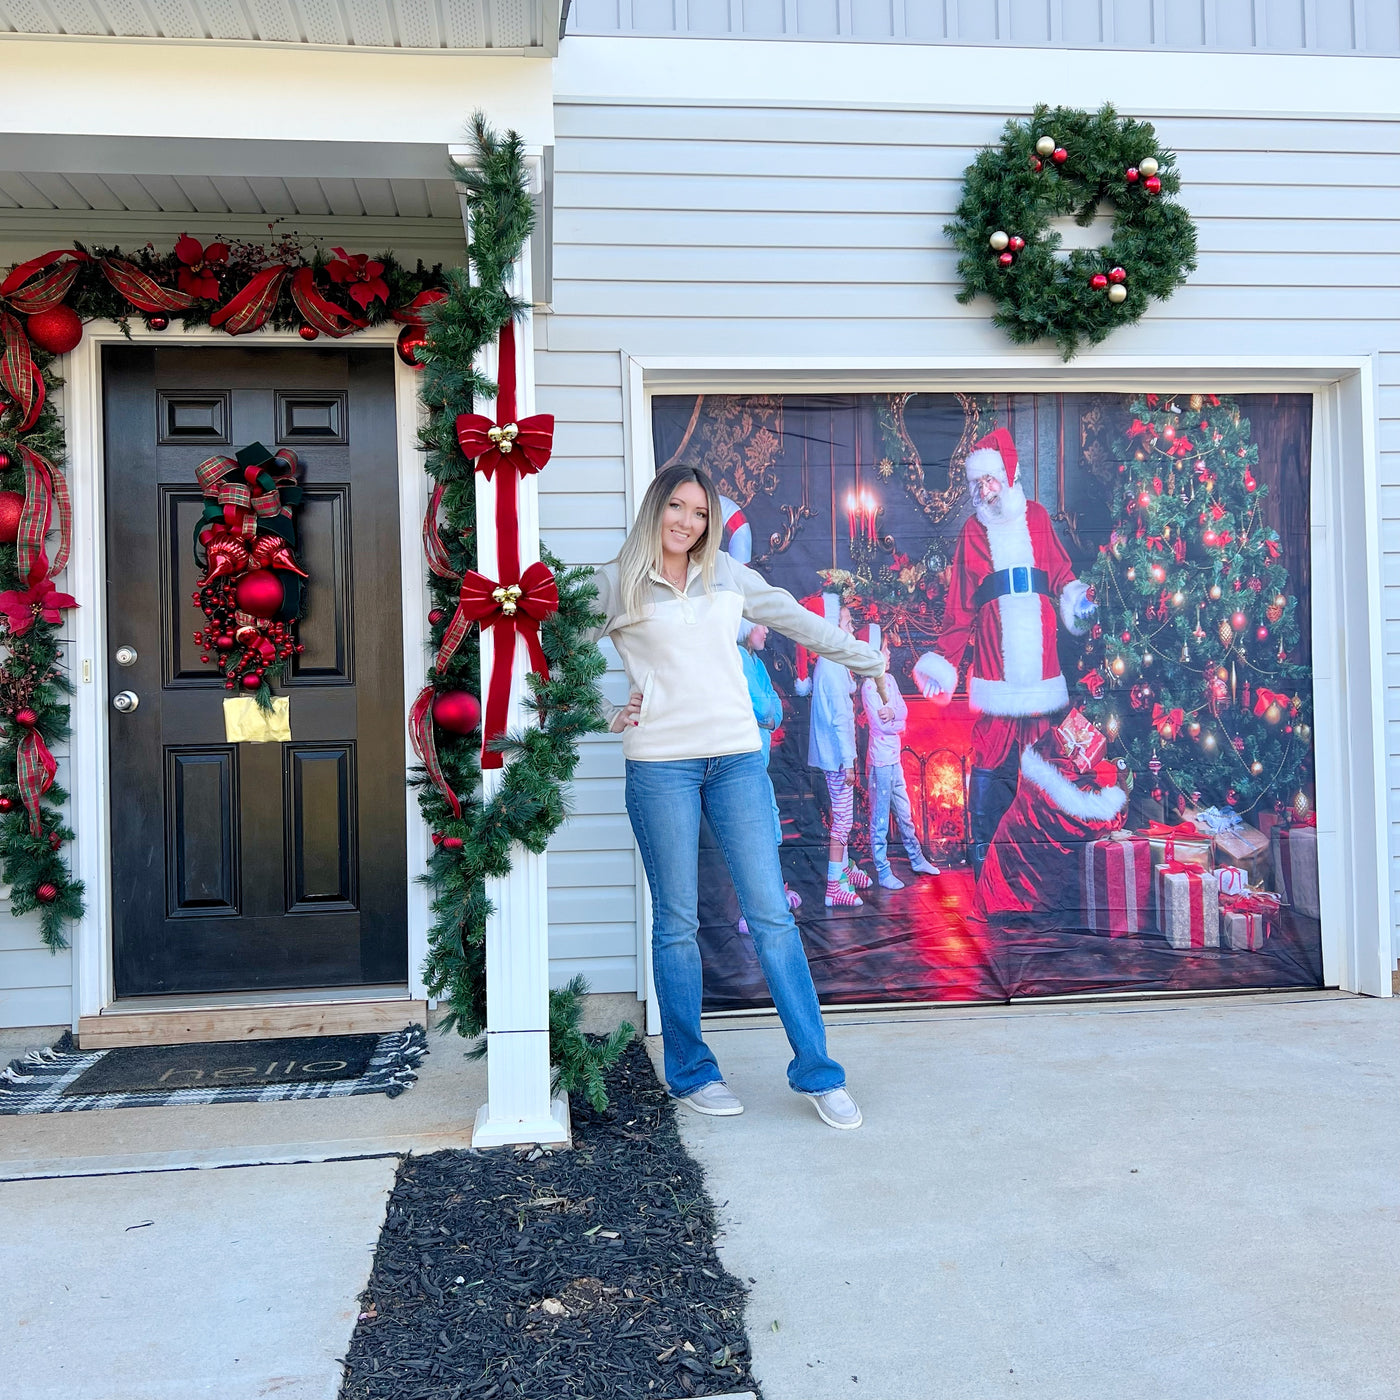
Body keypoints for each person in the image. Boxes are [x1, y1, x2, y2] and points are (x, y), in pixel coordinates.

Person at [592, 463, 886, 1130]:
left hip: (736, 763)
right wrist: (605, 710)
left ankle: (818, 1073)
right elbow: (552, 654)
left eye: (700, 512)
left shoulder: (728, 573)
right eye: (677, 507)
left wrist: (870, 662)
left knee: (772, 917)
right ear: (655, 509)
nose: (687, 522)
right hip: (660, 766)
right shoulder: (618, 581)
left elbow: (801, 623)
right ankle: (693, 1072)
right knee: (678, 922)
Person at [911, 428, 1095, 877]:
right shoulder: (971, 533)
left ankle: (1041, 860)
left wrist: (1076, 598)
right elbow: (959, 609)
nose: (985, 491)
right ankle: (984, 860)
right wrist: (944, 662)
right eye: (978, 485)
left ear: (1008, 474)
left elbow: (1061, 574)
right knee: (992, 751)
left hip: (1041, 663)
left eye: (991, 481)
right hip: (996, 666)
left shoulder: (1037, 517)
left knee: (1042, 752)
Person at [858, 624, 940, 890]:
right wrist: (896, 719)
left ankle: (917, 858)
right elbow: (881, 725)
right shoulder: (869, 688)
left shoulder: (890, 681)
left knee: (904, 812)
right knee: (880, 818)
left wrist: (894, 715)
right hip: (880, 762)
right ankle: (883, 870)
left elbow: (903, 713)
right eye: (885, 649)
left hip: (894, 760)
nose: (890, 652)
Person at [805, 593, 872, 908]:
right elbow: (840, 721)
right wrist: (848, 762)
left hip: (835, 756)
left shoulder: (832, 663)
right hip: (837, 758)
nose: (853, 628)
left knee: (842, 816)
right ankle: (834, 886)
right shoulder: (832, 667)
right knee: (843, 821)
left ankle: (844, 871)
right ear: (832, 627)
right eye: (846, 622)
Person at [735, 619, 801, 932]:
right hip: (743, 762)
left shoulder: (757, 663)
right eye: (760, 626)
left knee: (770, 825)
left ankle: (771, 895)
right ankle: (752, 911)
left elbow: (774, 707)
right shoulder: (736, 658)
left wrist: (768, 717)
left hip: (757, 761)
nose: (766, 631)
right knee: (755, 832)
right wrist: (766, 716)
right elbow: (763, 707)